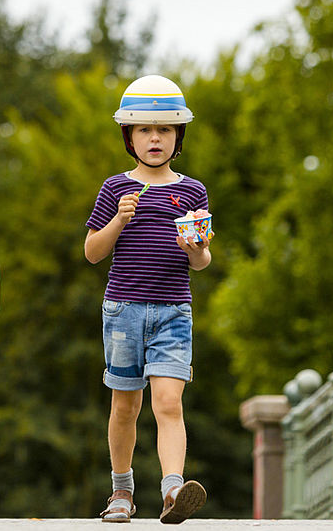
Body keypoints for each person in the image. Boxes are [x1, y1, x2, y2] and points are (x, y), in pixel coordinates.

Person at [84, 75, 212, 524]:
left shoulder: (192, 191)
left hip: (174, 311)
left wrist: (193, 246)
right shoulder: (115, 189)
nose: (154, 138)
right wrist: (119, 220)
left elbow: (202, 261)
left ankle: (174, 489)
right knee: (125, 405)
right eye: (144, 129)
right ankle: (122, 493)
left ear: (178, 136)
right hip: (123, 310)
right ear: (129, 136)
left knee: (169, 403)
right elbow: (93, 252)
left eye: (164, 129)